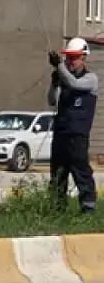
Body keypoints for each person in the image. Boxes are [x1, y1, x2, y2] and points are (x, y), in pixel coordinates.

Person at [47, 37, 98, 213]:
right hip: (61, 134)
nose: (70, 61)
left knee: (81, 172)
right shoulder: (64, 78)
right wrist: (54, 83)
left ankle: (88, 208)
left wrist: (59, 67)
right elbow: (51, 101)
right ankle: (57, 208)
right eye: (68, 58)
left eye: (73, 58)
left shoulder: (90, 79)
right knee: (58, 174)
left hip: (77, 136)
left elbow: (74, 83)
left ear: (83, 58)